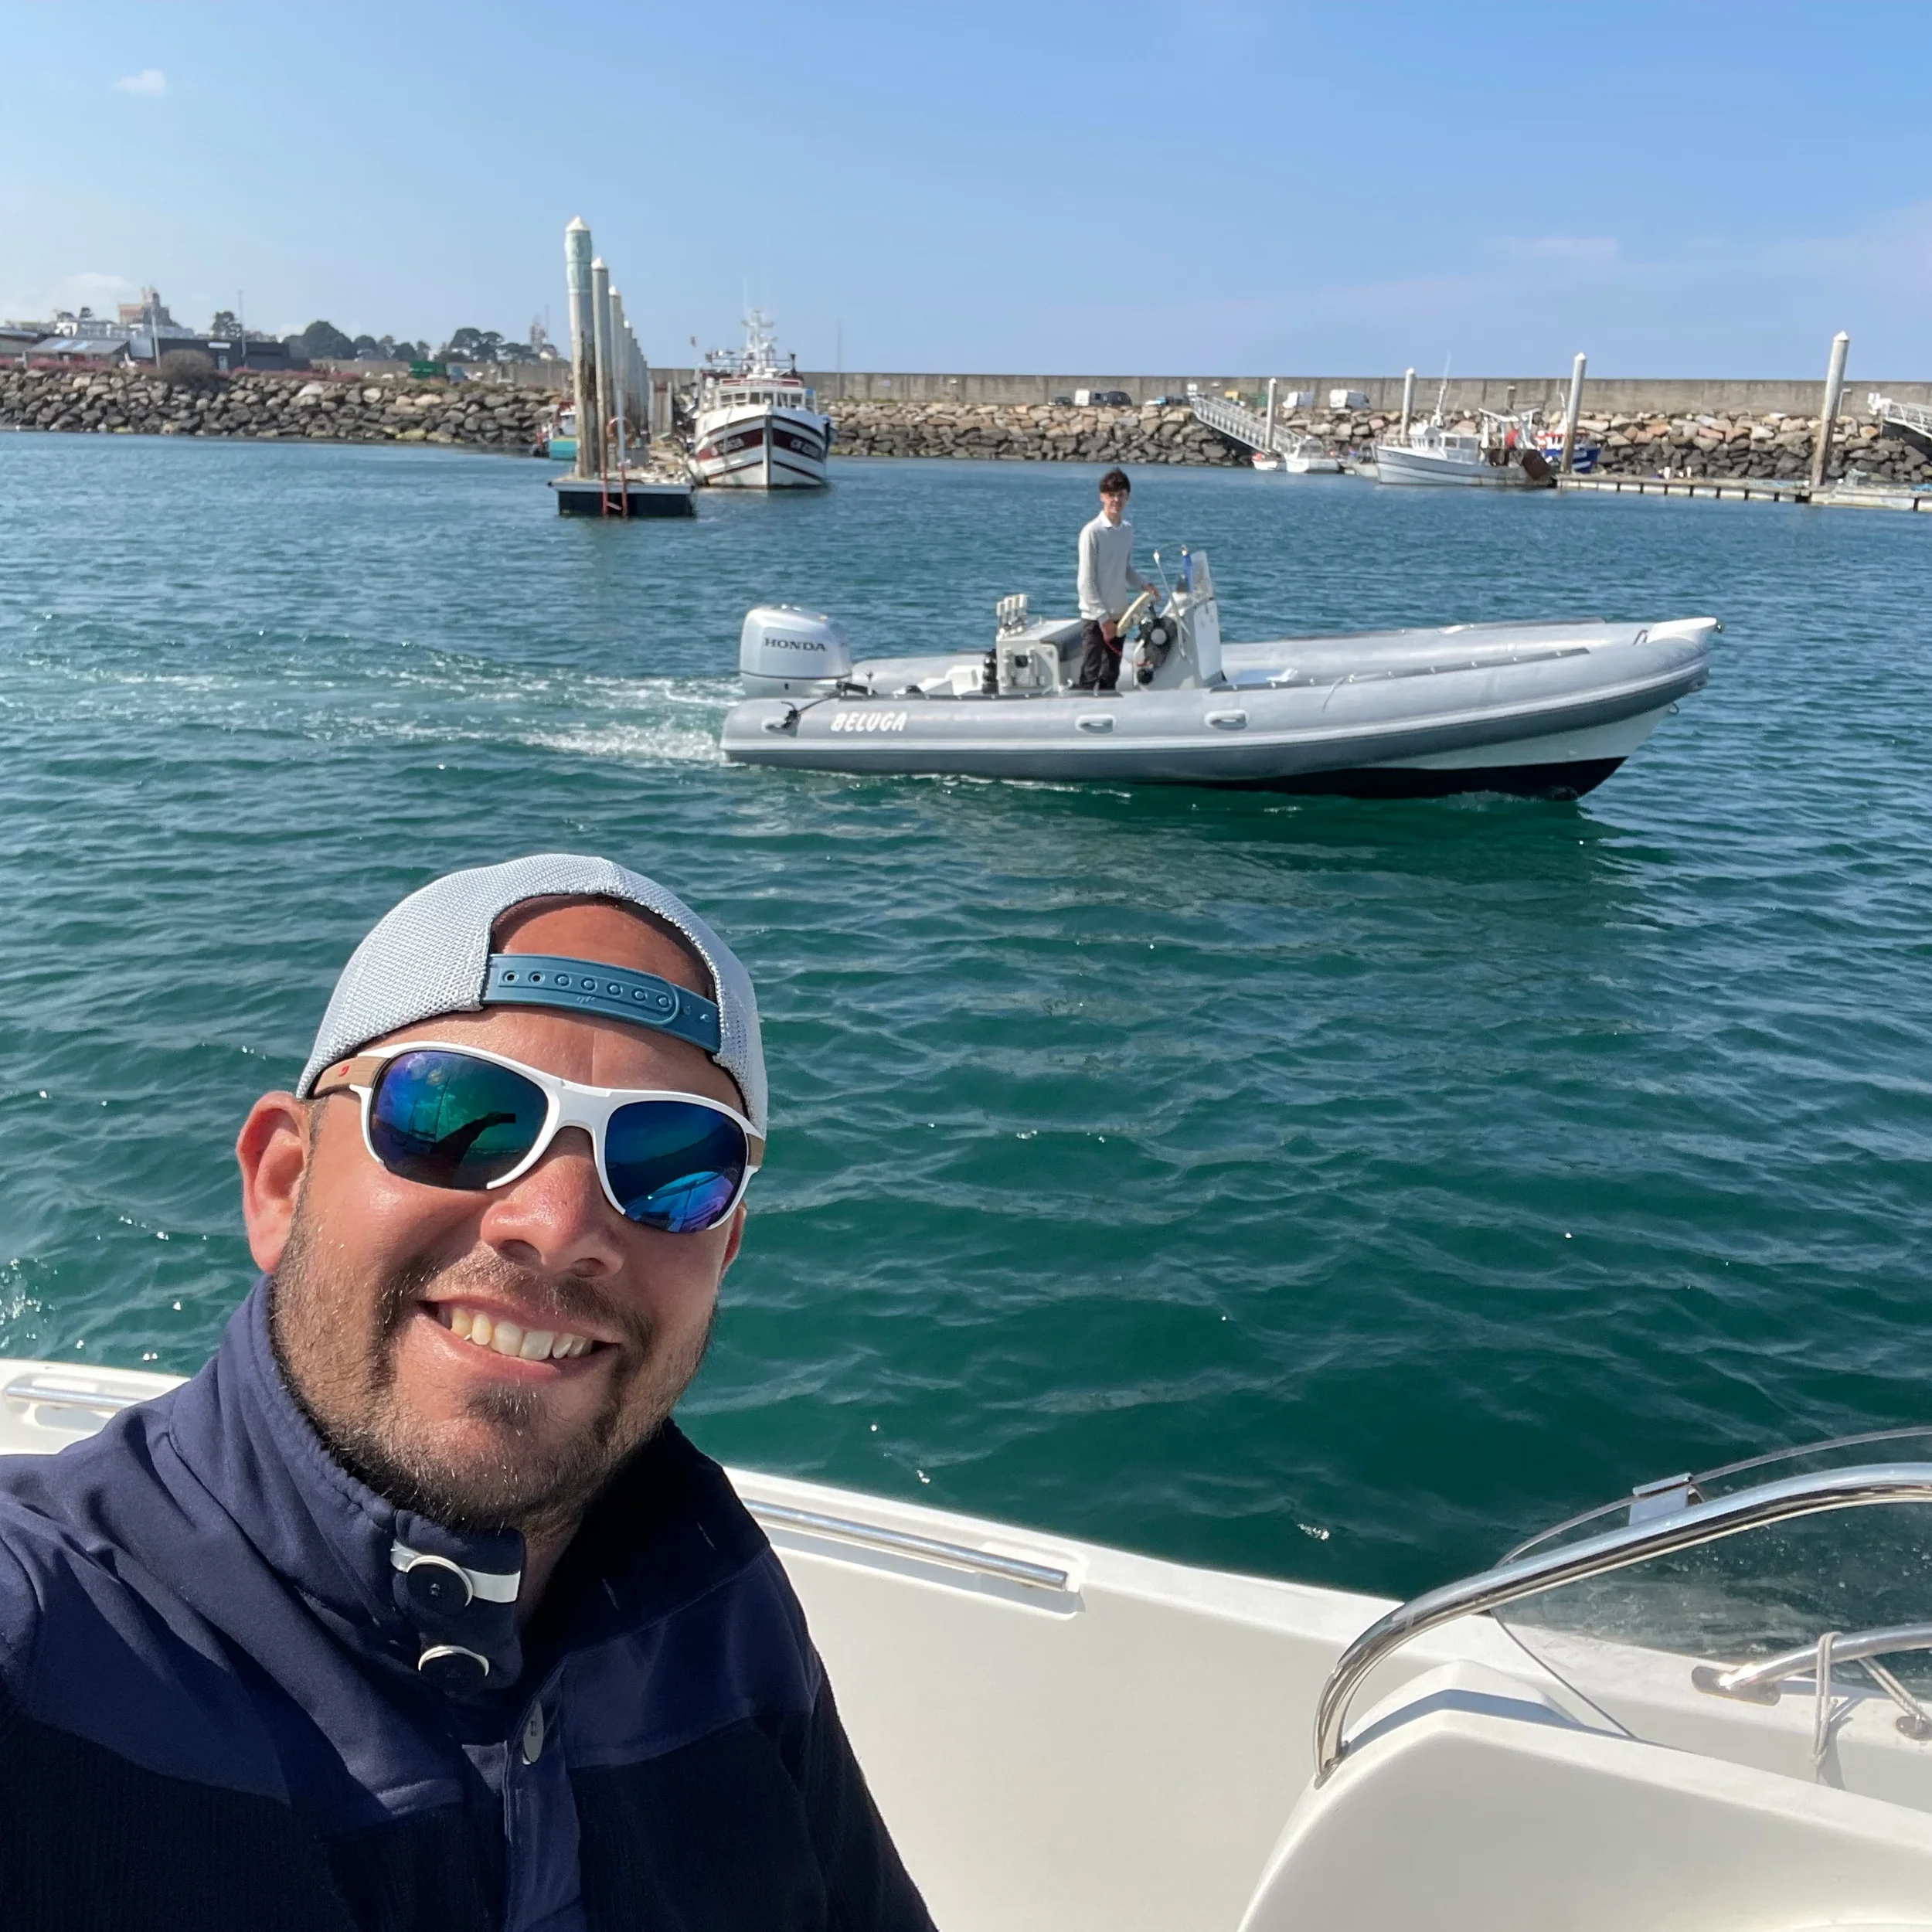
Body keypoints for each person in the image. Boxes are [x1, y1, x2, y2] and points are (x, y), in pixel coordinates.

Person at [0, 853, 934, 1932]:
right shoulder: (50, 1640)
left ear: (722, 1252)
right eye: (458, 1114)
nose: (561, 1226)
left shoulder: (711, 1600)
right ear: (281, 1183)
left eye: (670, 1163)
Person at [1074, 468, 1153, 692]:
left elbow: (1125, 569)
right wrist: (1103, 619)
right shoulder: (1092, 532)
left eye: (1120, 495)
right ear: (1102, 497)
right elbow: (1085, 582)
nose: (1116, 500)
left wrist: (1144, 585)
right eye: (1111, 495)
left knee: (1111, 675)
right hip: (1096, 619)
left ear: (1128, 497)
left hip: (1120, 616)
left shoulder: (1126, 530)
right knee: (1090, 675)